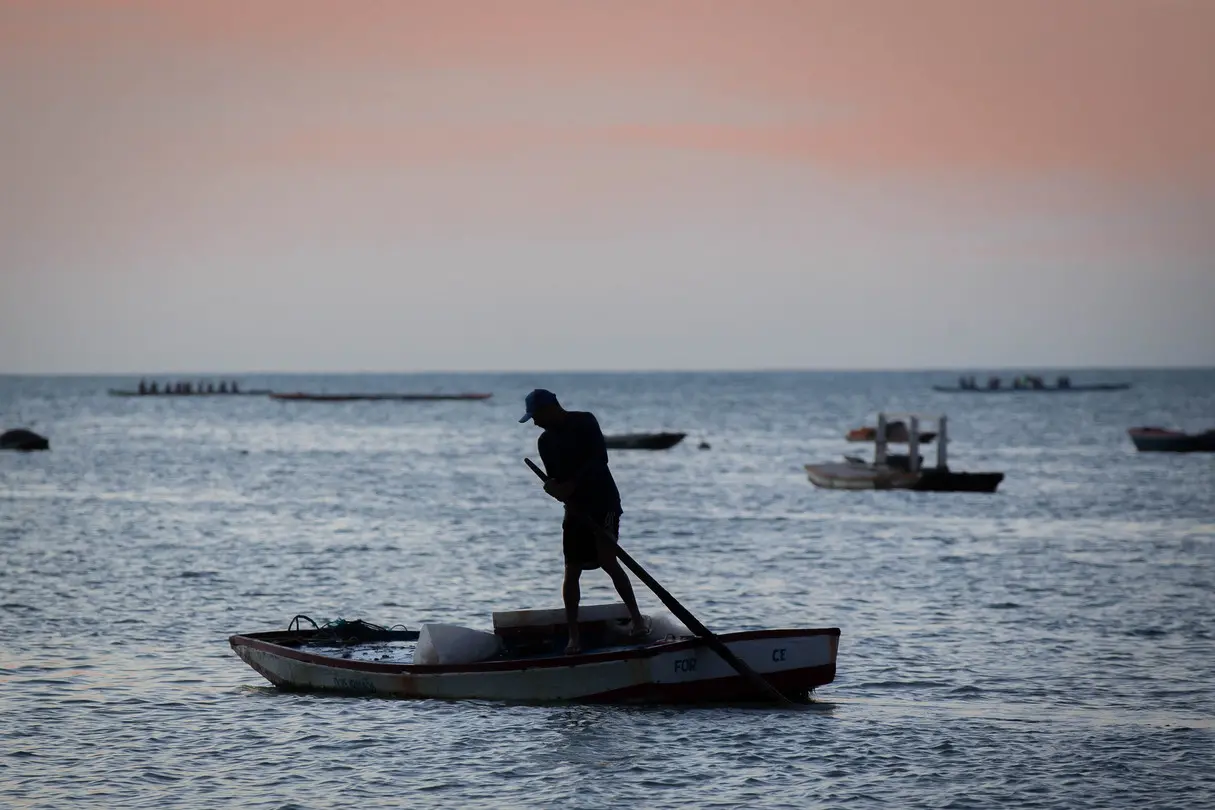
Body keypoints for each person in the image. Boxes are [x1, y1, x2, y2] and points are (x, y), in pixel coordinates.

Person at [519, 388, 647, 654]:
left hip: (604, 503)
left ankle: (637, 622)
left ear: (551, 408)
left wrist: (572, 485)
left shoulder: (584, 421)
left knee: (607, 560)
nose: (535, 423)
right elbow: (557, 481)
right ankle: (573, 638)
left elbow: (600, 459)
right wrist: (555, 490)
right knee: (572, 569)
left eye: (537, 416)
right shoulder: (544, 442)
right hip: (575, 509)